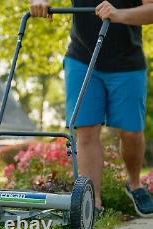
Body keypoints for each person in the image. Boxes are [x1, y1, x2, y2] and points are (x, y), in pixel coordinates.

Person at [29, 0, 153, 217]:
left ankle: (135, 186)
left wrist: (118, 14)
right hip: (82, 58)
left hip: (127, 62)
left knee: (131, 131)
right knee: (85, 131)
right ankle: (92, 202)